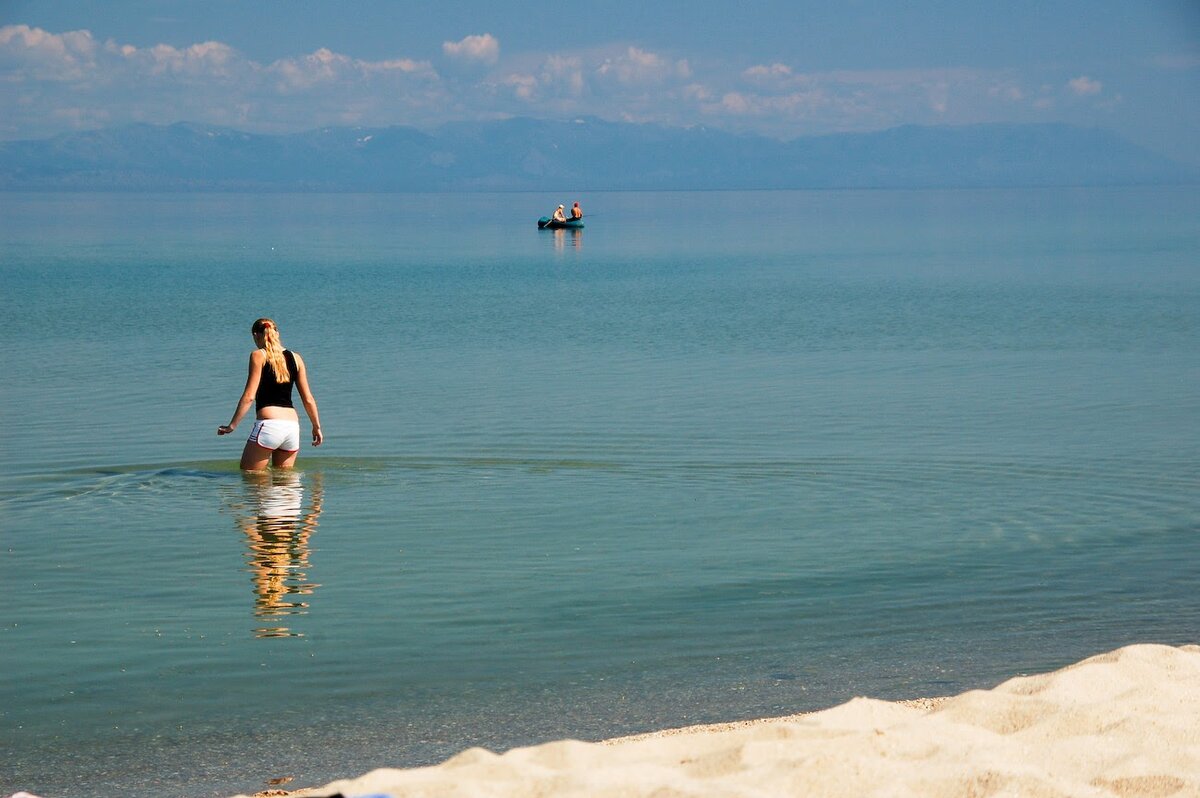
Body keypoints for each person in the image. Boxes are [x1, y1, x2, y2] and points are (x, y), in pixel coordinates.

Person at [217, 317, 322, 470]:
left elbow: (249, 396)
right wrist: (316, 426)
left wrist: (231, 426)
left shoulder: (258, 355)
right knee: (286, 488)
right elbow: (308, 399)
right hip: (292, 428)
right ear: (277, 334)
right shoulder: (296, 358)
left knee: (252, 479)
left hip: (269, 425)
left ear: (255, 335)